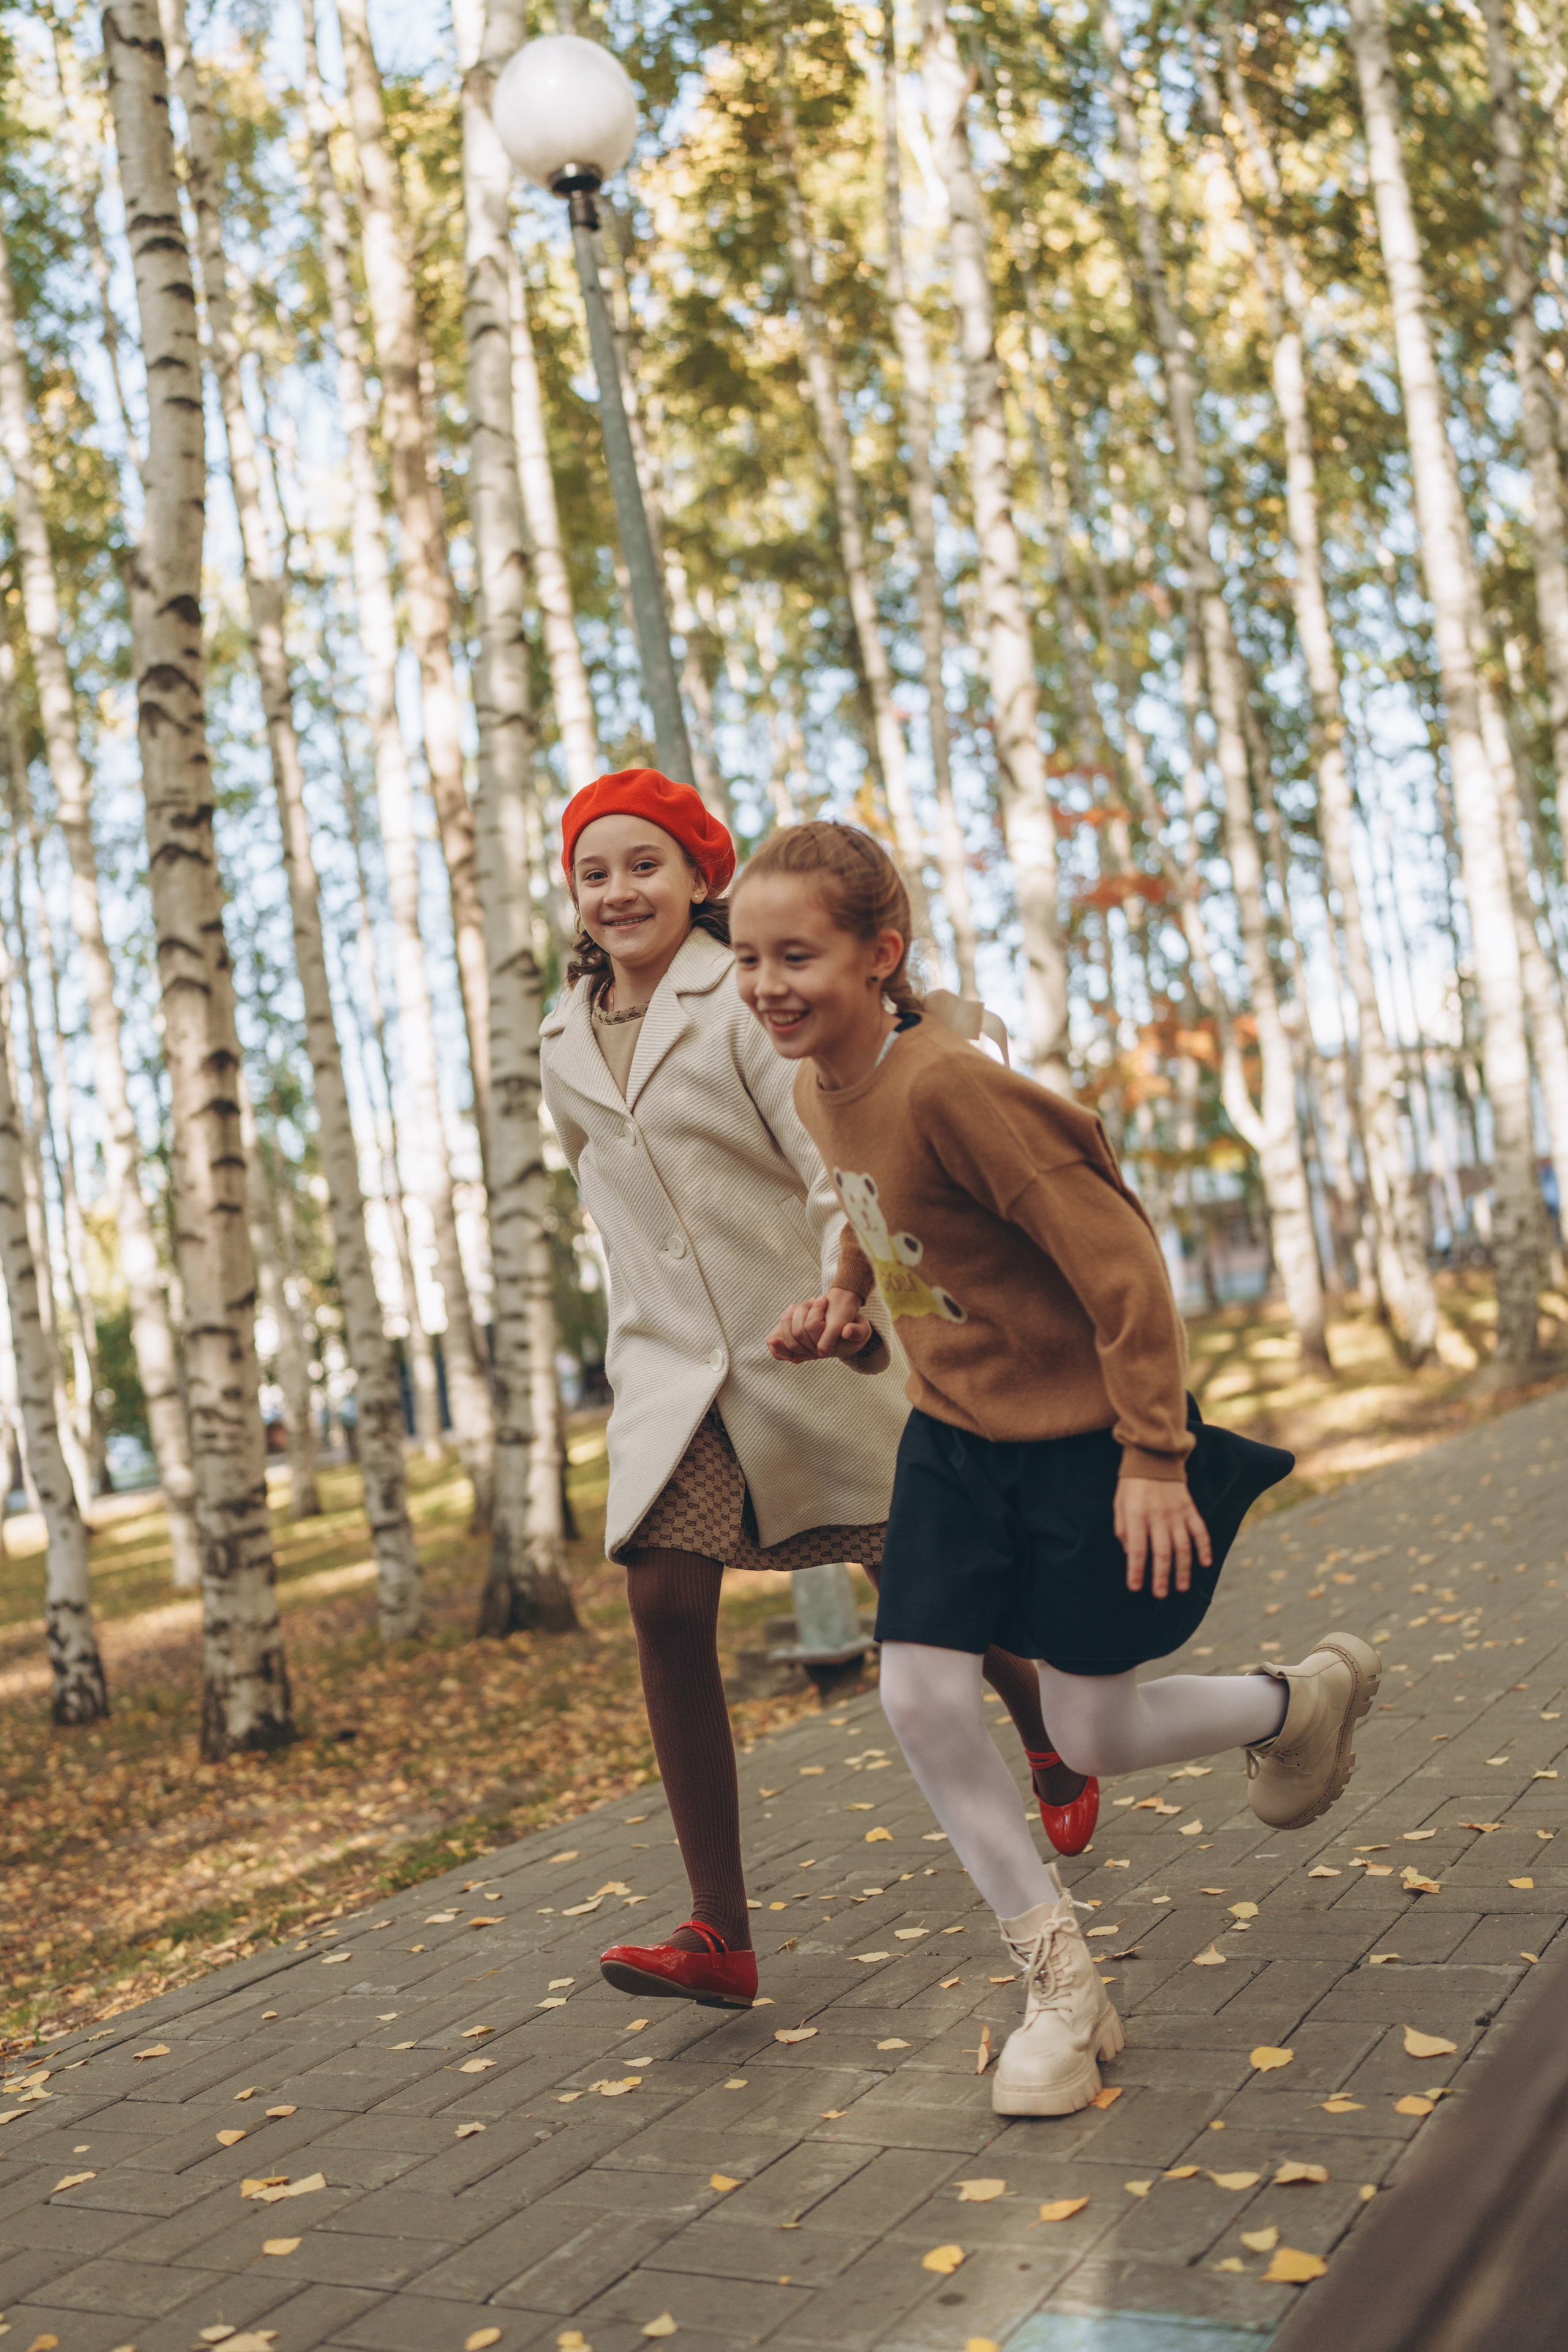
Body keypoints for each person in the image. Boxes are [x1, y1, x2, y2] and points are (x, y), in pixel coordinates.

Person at [733, 820, 1381, 2114]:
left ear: (881, 956)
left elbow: (1120, 1262)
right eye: (746, 959)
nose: (763, 987)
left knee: (1090, 1727)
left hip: (1086, 1448)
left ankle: (1289, 1704)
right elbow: (874, 1214)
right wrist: (843, 1301)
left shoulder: (954, 1087)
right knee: (916, 1699)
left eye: (793, 955)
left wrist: (1152, 1454)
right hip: (954, 1449)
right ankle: (1059, 1982)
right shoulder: (822, 1088)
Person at [540, 771, 1096, 2015]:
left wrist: (842, 1295)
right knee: (663, 1602)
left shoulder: (737, 998)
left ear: (697, 877)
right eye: (594, 870)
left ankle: (1052, 1732)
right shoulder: (561, 1036)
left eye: (646, 865)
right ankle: (717, 1935)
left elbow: (827, 1155)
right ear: (571, 893)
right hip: (670, 1371)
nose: (619, 890)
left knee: (919, 1582)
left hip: (816, 1341)